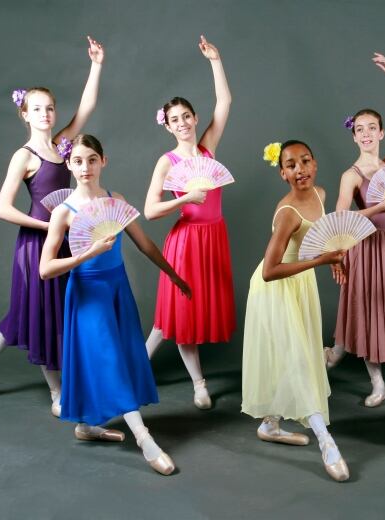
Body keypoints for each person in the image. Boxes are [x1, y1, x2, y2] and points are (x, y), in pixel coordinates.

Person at [0, 37, 105, 418]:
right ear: (25, 115)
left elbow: (88, 107)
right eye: (37, 109)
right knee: (42, 312)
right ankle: (57, 391)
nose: (45, 114)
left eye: (49, 108)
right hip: (36, 243)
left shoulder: (63, 145)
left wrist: (96, 65)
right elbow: (2, 208)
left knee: (29, 310)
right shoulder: (24, 156)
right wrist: (45, 226)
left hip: (62, 239)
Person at [40, 135, 191, 476]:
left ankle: (87, 426)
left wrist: (175, 276)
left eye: (92, 159)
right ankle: (145, 439)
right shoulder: (64, 212)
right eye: (78, 161)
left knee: (120, 358)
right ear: (69, 164)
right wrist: (86, 254)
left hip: (117, 288)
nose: (85, 168)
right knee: (108, 360)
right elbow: (45, 269)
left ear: (103, 161)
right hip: (87, 293)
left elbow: (145, 244)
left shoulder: (115, 199)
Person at [242, 141, 350, 482]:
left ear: (315, 164)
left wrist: (334, 258)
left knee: (291, 356)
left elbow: (319, 235)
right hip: (275, 288)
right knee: (299, 360)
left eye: (305, 161)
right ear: (282, 173)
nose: (299, 169)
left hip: (301, 284)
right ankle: (327, 443)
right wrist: (321, 260)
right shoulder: (288, 212)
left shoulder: (320, 193)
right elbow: (269, 271)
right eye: (291, 165)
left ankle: (270, 424)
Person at [144, 36, 235, 410]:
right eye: (174, 120)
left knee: (179, 317)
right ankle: (199, 384)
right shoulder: (167, 162)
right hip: (185, 242)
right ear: (167, 126)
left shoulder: (208, 147)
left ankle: (134, 363)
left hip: (213, 238)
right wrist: (184, 198)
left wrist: (215, 59)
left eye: (186, 116)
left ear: (195, 119)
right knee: (177, 316)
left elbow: (225, 102)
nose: (181, 123)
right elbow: (149, 210)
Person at [325, 53, 385, 407]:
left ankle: (336, 352)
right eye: (359, 129)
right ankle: (376, 381)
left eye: (371, 128)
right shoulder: (351, 175)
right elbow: (339, 218)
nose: (365, 134)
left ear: (381, 133)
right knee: (367, 311)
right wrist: (337, 255)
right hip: (363, 248)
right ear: (354, 137)